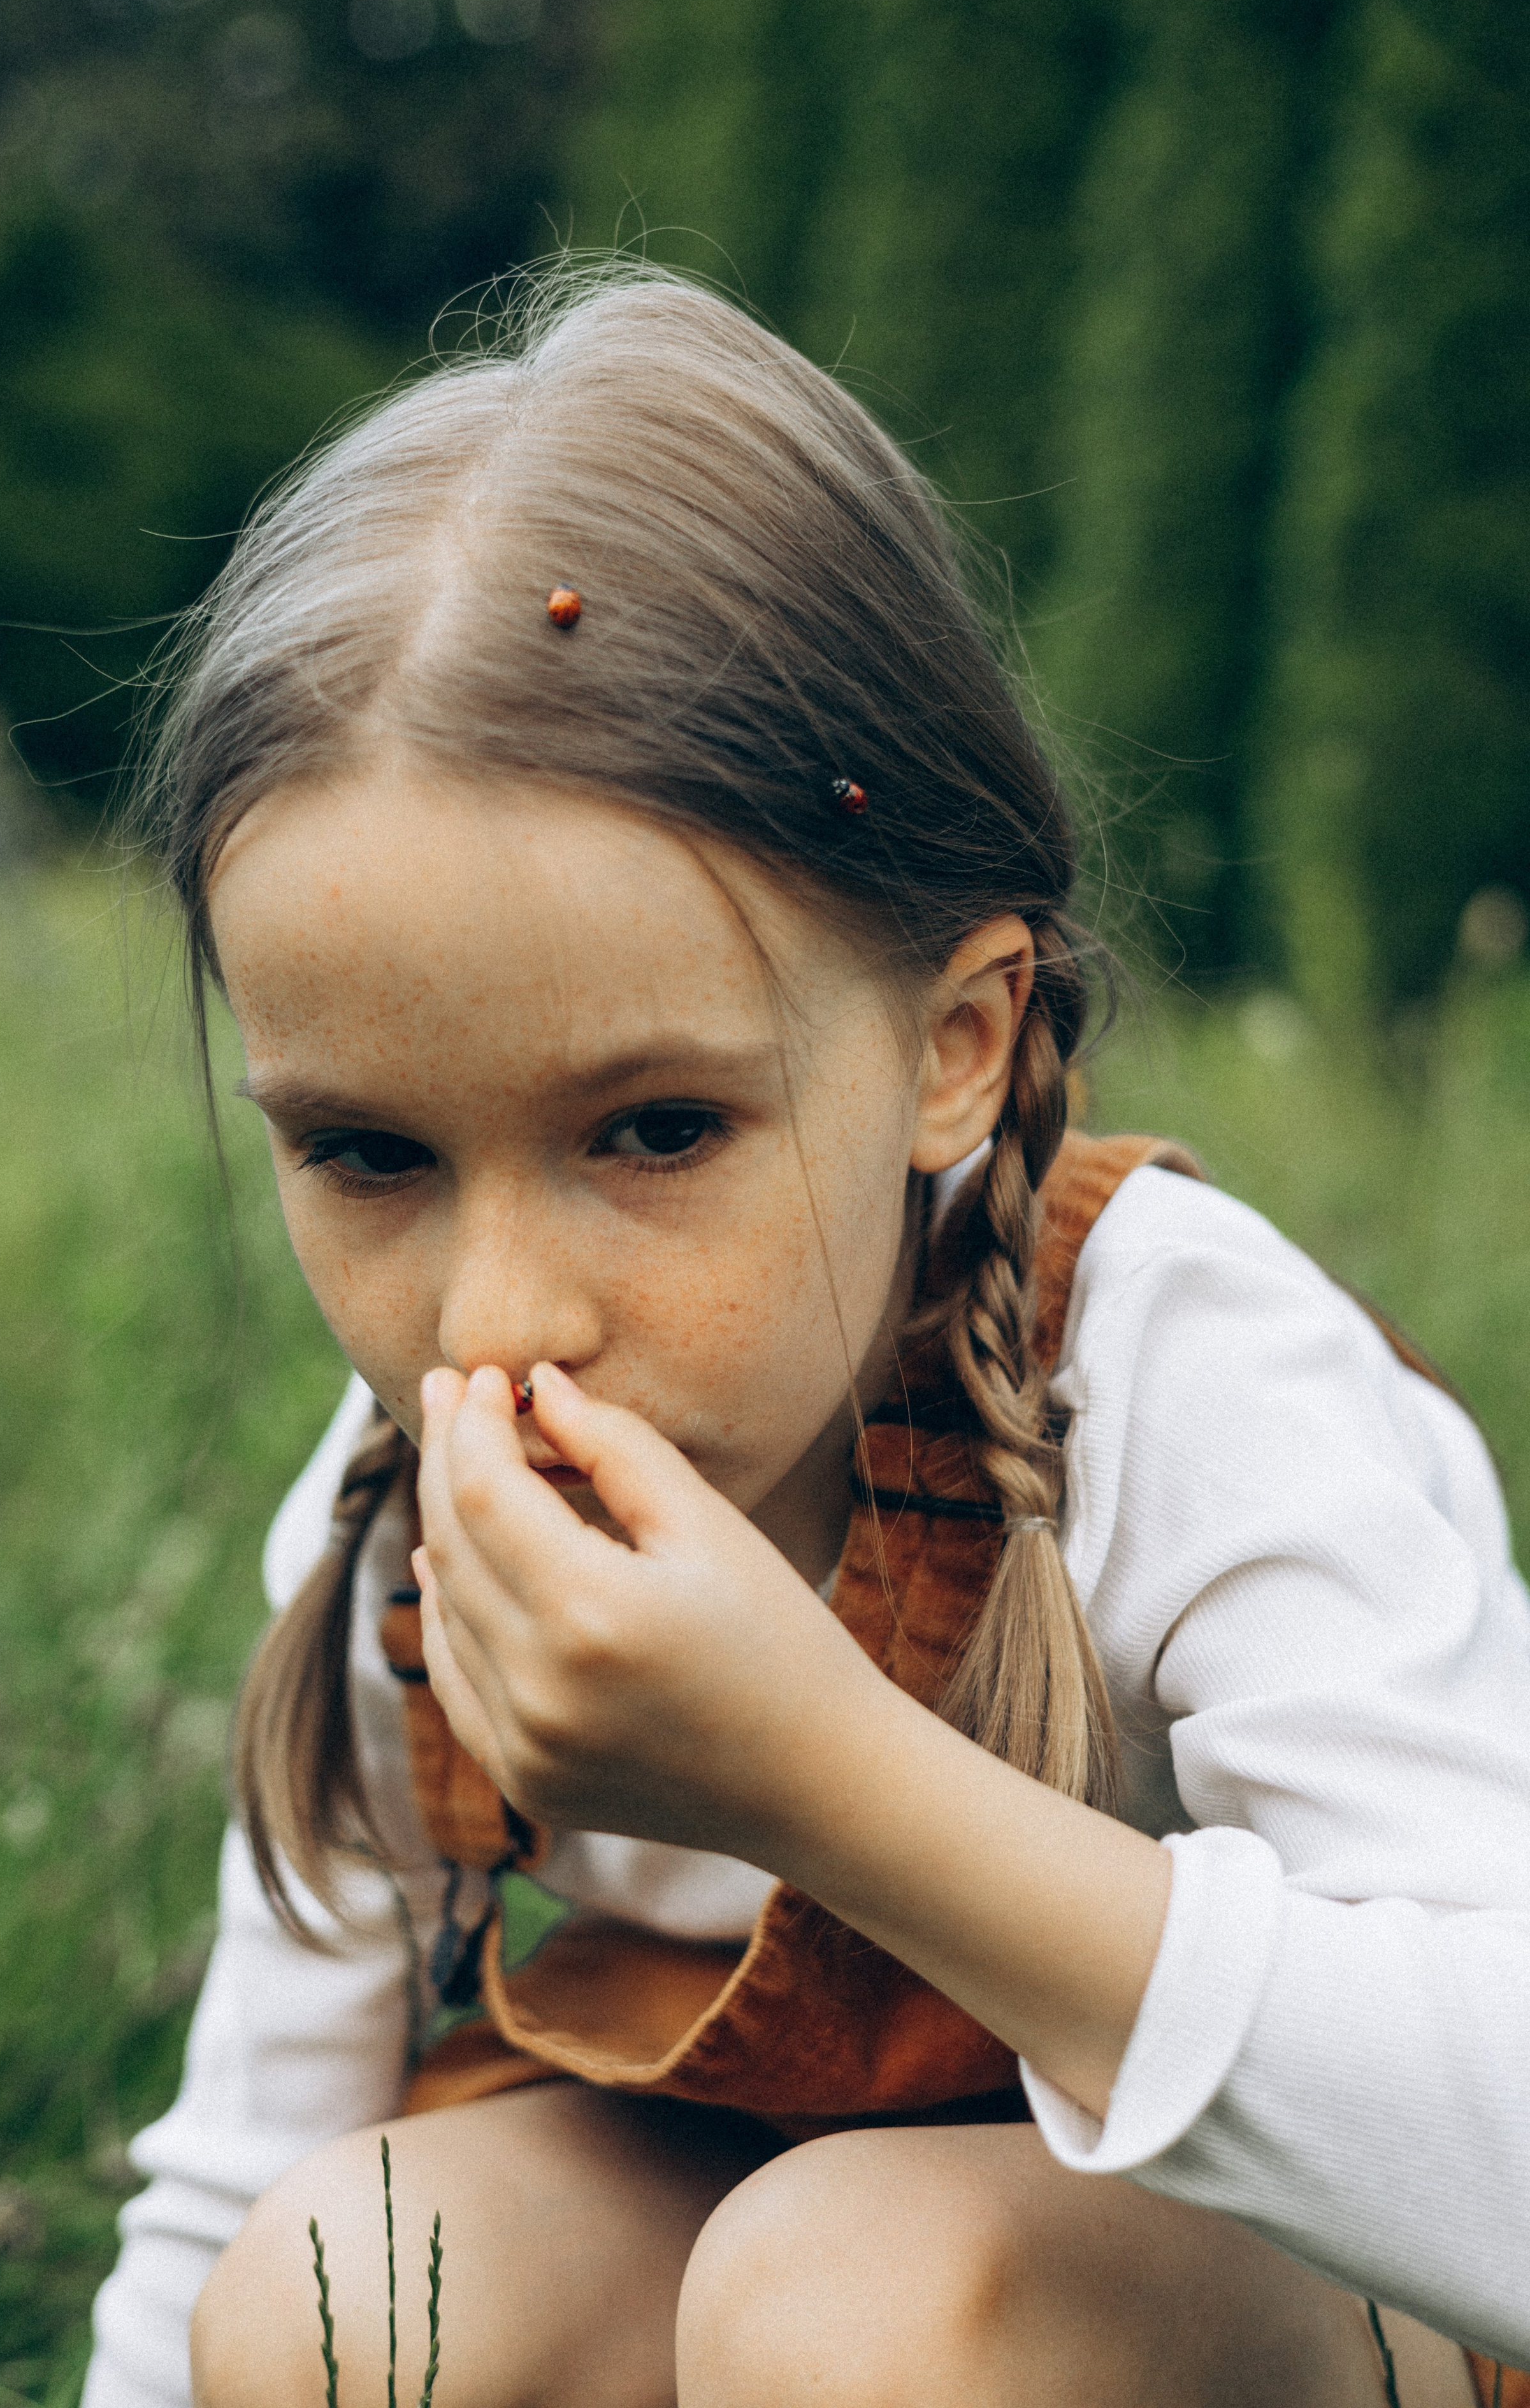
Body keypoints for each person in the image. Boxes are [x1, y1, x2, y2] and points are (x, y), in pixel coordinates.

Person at [83, 268, 1530, 2408]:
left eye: (656, 1128)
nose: (499, 1321)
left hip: (1296, 2286)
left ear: (958, 1046)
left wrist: (826, 1780)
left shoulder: (1178, 1371)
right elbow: (237, 2171)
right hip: (740, 2250)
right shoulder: (404, 1516)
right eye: (370, 1157)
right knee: (342, 2305)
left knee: (854, 2299)